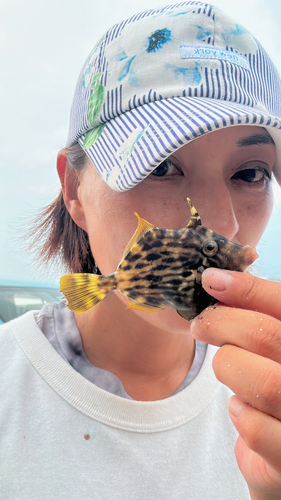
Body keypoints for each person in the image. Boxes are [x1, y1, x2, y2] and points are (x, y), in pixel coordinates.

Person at [1, 2, 281, 499]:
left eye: (250, 173)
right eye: (160, 166)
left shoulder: (267, 392)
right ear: (74, 191)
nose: (222, 223)